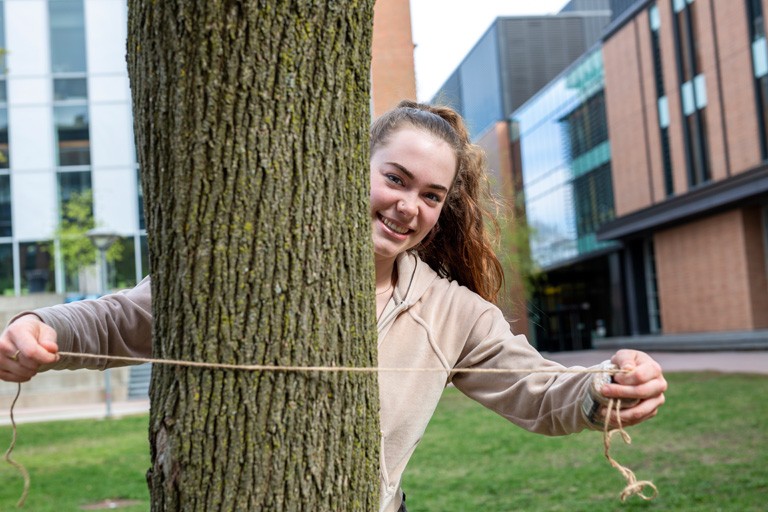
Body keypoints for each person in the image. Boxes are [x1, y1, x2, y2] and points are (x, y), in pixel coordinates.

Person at [0, 100, 667, 512]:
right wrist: (35, 327)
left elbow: (535, 385)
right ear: (354, 168)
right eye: (396, 179)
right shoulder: (252, 267)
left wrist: (602, 390)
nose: (409, 207)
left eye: (432, 196)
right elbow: (122, 316)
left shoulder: (454, 313)